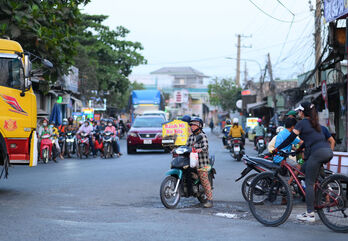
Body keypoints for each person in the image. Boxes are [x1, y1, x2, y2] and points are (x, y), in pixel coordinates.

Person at [274, 101, 333, 222]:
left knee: (309, 183)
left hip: (317, 154)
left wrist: (277, 148)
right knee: (304, 169)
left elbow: (290, 138)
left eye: (299, 111)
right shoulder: (316, 124)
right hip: (327, 152)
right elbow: (309, 142)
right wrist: (296, 152)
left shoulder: (302, 123)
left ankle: (310, 214)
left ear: (302, 112)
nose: (298, 114)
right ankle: (320, 195)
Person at [186, 117, 213, 208]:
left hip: (202, 163)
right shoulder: (190, 137)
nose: (192, 127)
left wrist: (199, 149)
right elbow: (186, 146)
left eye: (194, 125)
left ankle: (210, 200)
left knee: (204, 180)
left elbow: (205, 147)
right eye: (191, 125)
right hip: (192, 162)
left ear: (200, 126)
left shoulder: (203, 136)